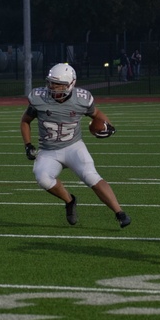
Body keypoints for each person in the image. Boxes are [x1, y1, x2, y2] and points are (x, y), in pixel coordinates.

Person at [20, 62, 130, 228]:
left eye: (58, 84)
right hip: (48, 150)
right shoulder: (39, 98)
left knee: (92, 177)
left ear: (70, 84)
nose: (52, 87)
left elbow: (97, 114)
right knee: (43, 179)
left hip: (73, 147)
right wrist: (28, 144)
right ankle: (69, 201)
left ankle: (119, 212)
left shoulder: (82, 99)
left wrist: (109, 126)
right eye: (51, 82)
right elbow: (25, 121)